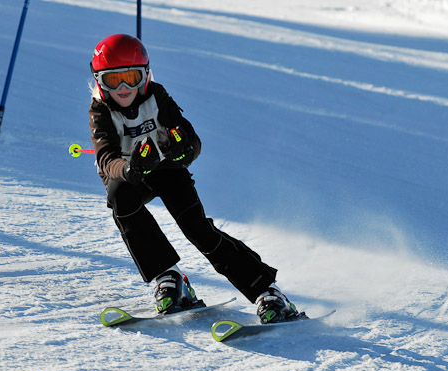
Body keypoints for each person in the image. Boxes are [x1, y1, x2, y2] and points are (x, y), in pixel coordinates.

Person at [88, 33, 302, 324]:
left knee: (197, 228)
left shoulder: (157, 96)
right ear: (100, 81)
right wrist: (127, 170)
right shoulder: (100, 111)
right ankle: (169, 278)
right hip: (130, 176)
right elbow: (106, 158)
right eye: (114, 80)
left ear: (146, 76)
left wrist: (183, 150)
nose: (124, 88)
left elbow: (190, 138)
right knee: (119, 199)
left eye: (132, 77)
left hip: (166, 170)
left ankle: (267, 292)